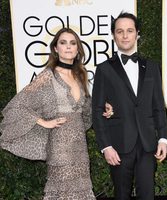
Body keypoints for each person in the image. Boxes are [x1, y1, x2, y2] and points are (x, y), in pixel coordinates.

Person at [0, 27, 112, 200]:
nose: (68, 47)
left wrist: (102, 106)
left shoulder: (80, 75)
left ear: (77, 49)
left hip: (79, 147)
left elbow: (86, 108)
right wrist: (43, 121)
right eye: (63, 42)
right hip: (59, 146)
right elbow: (18, 105)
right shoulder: (47, 75)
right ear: (55, 48)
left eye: (72, 43)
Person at [92, 12, 167, 200]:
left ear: (137, 34)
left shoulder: (151, 66)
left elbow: (159, 105)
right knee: (121, 195)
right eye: (120, 31)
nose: (125, 36)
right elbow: (97, 109)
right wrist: (106, 146)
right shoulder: (104, 69)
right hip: (118, 145)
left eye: (129, 31)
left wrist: (163, 139)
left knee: (147, 195)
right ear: (113, 35)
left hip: (147, 143)